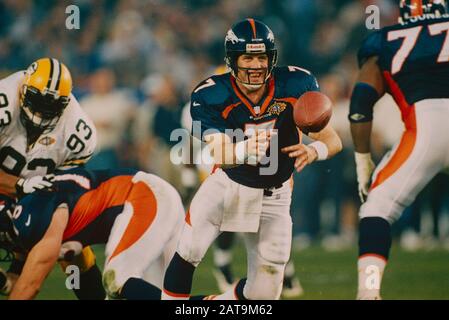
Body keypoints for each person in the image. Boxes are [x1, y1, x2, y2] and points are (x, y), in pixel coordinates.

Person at [162, 18, 342, 300]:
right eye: (248, 57)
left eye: (261, 57)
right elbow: (220, 153)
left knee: (264, 297)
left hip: (275, 195)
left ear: (272, 58)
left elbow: (333, 140)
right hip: (227, 185)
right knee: (188, 251)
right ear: (233, 60)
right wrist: (244, 150)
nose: (256, 66)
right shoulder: (212, 94)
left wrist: (313, 150)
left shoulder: (295, 84)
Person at [349, 0, 449, 300]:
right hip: (425, 123)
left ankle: (368, 293)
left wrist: (363, 159)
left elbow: (360, 104)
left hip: (426, 125)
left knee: (377, 208)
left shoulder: (384, 40)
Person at [0, 58, 104, 299]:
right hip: (11, 187)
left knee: (74, 248)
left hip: (40, 196)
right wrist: (20, 185)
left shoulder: (79, 132)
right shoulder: (4, 101)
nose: (40, 113)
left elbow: (58, 196)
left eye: (51, 106)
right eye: (37, 102)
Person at [0, 167, 184, 300]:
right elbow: (21, 280)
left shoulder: (35, 218)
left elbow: (29, 286)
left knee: (117, 279)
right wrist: (4, 283)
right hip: (150, 199)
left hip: (144, 199)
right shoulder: (30, 212)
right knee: (133, 292)